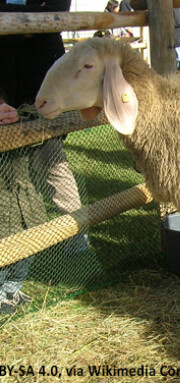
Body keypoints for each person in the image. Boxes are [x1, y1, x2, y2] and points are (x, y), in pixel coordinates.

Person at [0, 0, 89, 248]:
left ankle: (75, 234)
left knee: (50, 157)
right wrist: (27, 28)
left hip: (40, 84)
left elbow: (54, 10)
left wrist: (12, 26)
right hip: (5, 81)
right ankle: (14, 246)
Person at [0, 86, 47, 314]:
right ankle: (0, 294)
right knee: (4, 252)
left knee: (30, 246)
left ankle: (13, 288)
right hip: (3, 206)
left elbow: (38, 113)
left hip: (26, 200)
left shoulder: (18, 120)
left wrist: (17, 115)